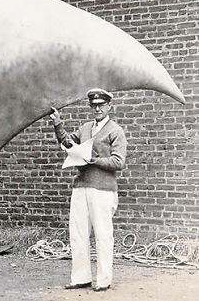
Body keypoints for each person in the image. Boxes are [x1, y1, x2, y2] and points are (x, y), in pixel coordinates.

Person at [49, 88, 127, 292]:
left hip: (103, 189)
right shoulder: (85, 128)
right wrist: (58, 124)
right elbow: (69, 143)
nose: (97, 109)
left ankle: (103, 280)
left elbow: (119, 162)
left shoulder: (115, 131)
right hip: (81, 186)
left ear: (109, 106)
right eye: (94, 105)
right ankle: (81, 277)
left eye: (101, 105)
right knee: (78, 233)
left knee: (103, 234)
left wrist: (94, 160)